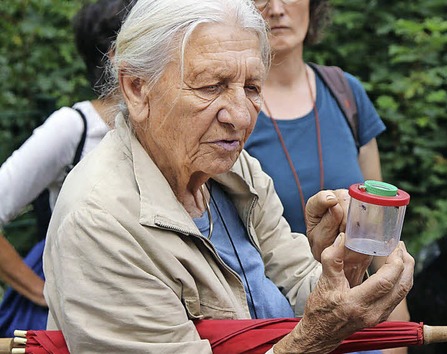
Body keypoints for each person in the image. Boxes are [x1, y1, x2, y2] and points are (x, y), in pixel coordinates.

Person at [42, 0, 414, 353]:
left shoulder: (233, 170)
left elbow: (302, 285)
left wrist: (344, 263)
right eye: (211, 86)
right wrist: (312, 339)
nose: (240, 116)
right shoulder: (100, 223)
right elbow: (314, 325)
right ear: (137, 88)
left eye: (252, 87)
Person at [244, 2, 410, 352]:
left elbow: (384, 235)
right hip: (277, 333)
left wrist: (397, 335)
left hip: (361, 330)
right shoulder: (234, 109)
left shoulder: (345, 92)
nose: (276, 9)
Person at [0, 0, 133, 337]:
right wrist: (42, 292)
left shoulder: (166, 131)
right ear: (116, 55)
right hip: (67, 320)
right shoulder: (72, 128)